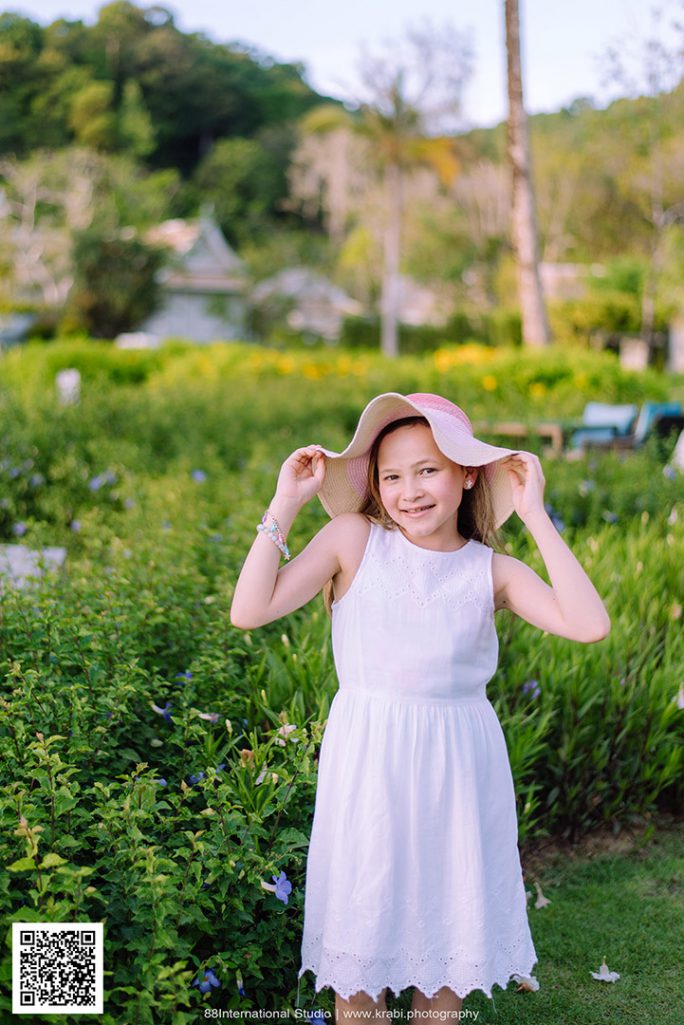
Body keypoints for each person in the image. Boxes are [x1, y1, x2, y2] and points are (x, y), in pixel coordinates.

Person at [230, 392, 611, 1022]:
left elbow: (588, 624)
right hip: (369, 768)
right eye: (392, 476)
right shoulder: (353, 541)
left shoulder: (491, 571)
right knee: (360, 973)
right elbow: (249, 610)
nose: (410, 491)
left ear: (467, 475)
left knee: (444, 968)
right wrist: (285, 504)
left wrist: (535, 514)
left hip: (458, 774)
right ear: (377, 486)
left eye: (429, 470)